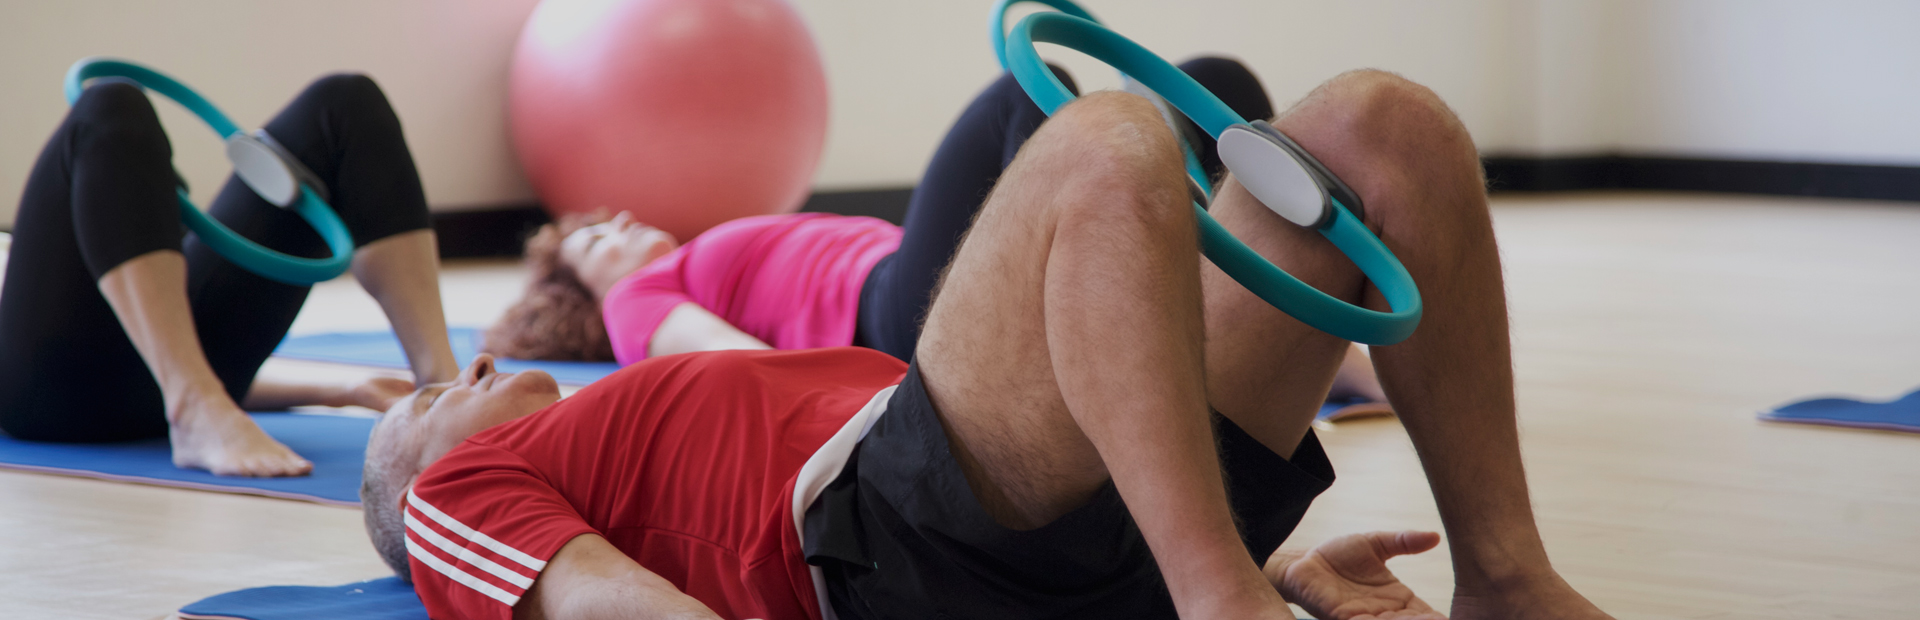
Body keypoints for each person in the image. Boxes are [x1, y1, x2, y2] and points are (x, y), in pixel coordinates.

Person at [365, 64, 1613, 620]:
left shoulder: (627, 408)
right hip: (877, 540)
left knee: (1376, 127)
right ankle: (1211, 591)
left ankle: (1502, 580)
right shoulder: (457, 501)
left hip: (1042, 522)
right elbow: (600, 600)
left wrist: (1278, 562)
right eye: (418, 405)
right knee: (1102, 140)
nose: (454, 377)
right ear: (417, 487)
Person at [484, 58, 1389, 404]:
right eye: (598, 242)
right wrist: (883, 414)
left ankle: (1277, 315)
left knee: (1212, 79)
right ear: (586, 299)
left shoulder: (691, 253)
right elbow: (726, 361)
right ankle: (1160, 272)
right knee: (1020, 96)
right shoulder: (642, 299)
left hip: (917, 280)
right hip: (901, 319)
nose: (624, 228)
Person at [0, 74, 459, 477]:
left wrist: (344, 387)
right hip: (53, 395)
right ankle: (193, 406)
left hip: (179, 369)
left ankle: (446, 394)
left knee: (344, 103)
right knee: (108, 107)